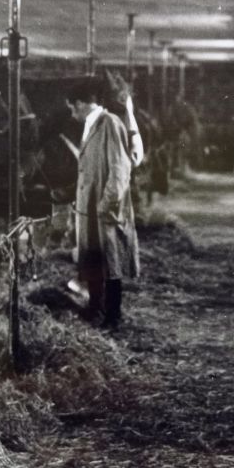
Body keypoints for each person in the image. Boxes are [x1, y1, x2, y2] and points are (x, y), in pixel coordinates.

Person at [67, 77, 140, 329]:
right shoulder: (92, 124)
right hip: (90, 205)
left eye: (71, 107)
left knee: (111, 261)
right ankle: (95, 308)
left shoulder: (109, 123)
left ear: (78, 103)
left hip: (103, 207)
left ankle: (113, 315)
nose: (71, 113)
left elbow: (120, 169)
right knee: (95, 258)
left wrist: (106, 204)